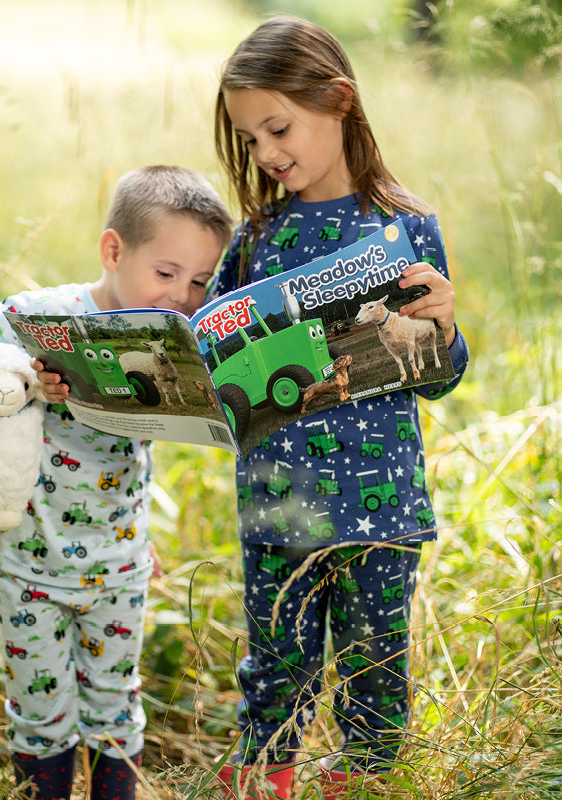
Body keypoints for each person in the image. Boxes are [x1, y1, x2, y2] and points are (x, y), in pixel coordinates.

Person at [0, 165, 233, 800]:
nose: (181, 296)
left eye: (197, 282)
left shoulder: (174, 338)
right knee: (40, 713)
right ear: (113, 250)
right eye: (165, 274)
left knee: (115, 706)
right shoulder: (39, 318)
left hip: (120, 566)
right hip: (27, 562)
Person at [209, 17, 469, 799]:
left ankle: (367, 784)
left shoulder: (404, 226)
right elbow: (213, 353)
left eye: (277, 128)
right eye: (249, 139)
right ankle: (264, 778)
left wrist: (445, 330)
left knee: (376, 669)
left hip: (379, 506)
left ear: (339, 100)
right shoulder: (258, 238)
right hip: (278, 504)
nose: (265, 154)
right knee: (276, 666)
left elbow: (438, 378)